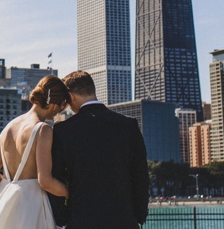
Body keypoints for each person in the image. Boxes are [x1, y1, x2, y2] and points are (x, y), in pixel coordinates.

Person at [49, 70, 150, 228]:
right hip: (123, 220)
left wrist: (63, 218)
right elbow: (141, 176)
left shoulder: (63, 130)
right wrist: (138, 215)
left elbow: (56, 176)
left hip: (81, 220)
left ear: (71, 96)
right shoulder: (128, 125)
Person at [0, 75, 70, 229]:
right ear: (55, 105)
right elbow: (45, 181)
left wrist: (13, 191)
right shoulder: (43, 130)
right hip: (33, 208)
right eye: (61, 107)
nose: (57, 113)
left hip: (3, 207)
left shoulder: (9, 127)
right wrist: (70, 193)